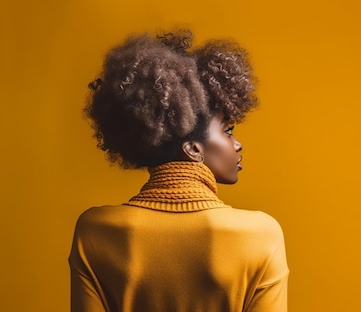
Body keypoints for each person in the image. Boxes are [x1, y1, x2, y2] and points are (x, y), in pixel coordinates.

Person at [69, 31, 288, 312]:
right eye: (228, 130)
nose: (237, 143)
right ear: (193, 149)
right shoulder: (260, 235)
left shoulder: (95, 232)